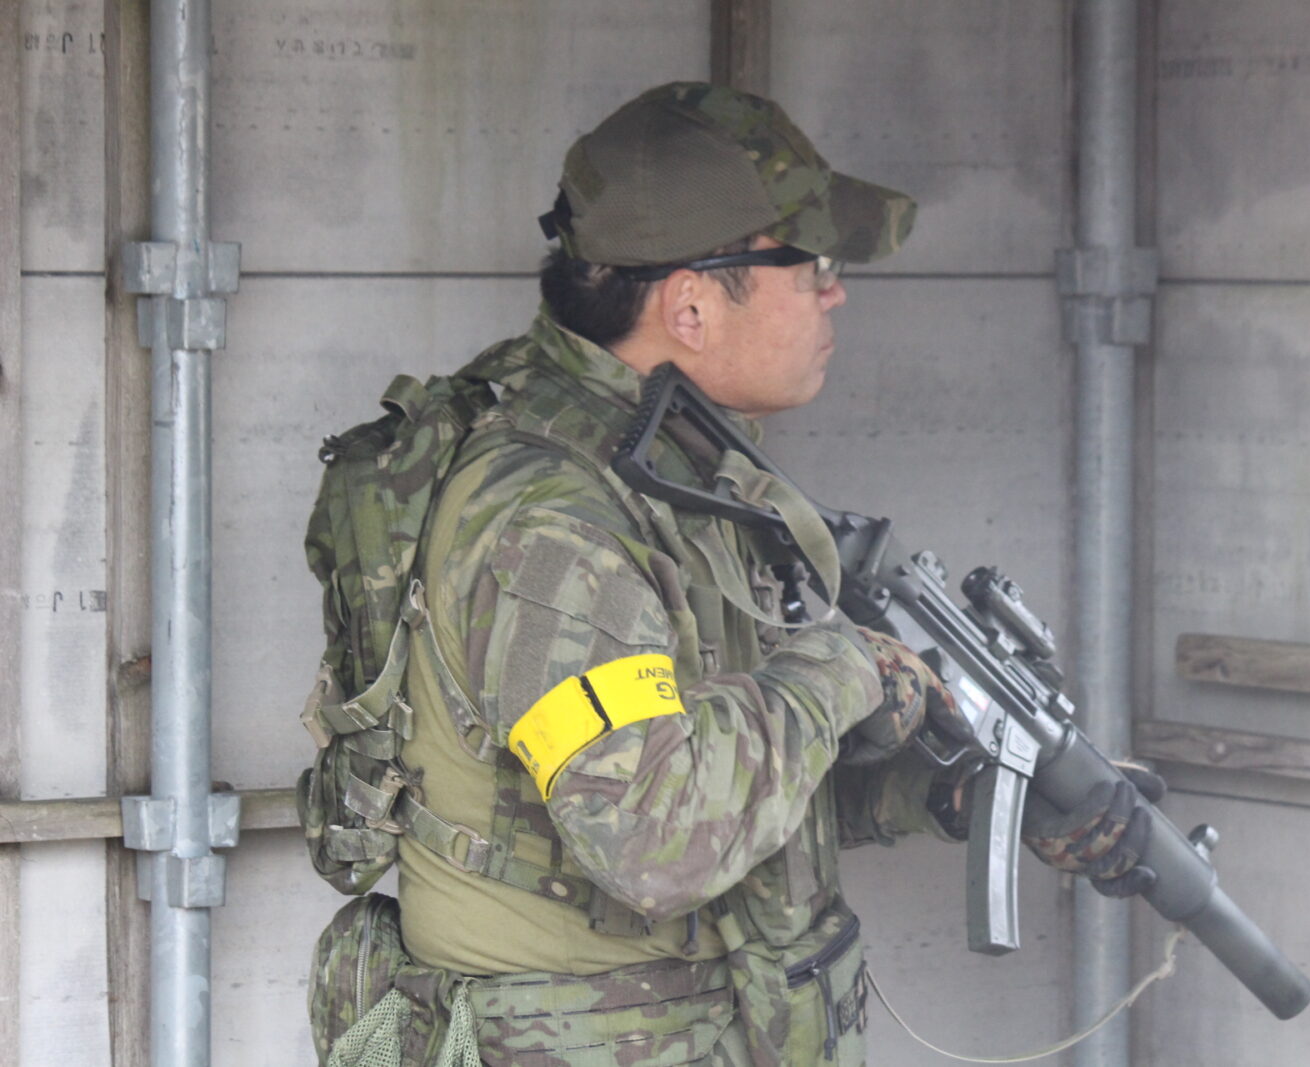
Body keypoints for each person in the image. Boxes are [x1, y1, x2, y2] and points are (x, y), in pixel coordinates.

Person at [309, 81, 1156, 1067]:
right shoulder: (555, 521)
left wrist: (944, 794)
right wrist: (841, 670)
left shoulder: (663, 464)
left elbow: (725, 784)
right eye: (813, 265)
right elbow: (652, 835)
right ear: (691, 306)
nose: (835, 293)